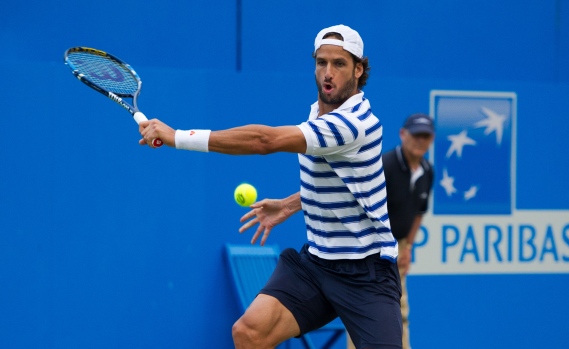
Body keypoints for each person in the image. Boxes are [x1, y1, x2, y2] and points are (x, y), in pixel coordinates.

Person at [137, 25, 402, 349]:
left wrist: (177, 136)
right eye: (321, 62)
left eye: (339, 64)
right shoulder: (319, 111)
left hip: (367, 273)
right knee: (249, 332)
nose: (327, 73)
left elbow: (265, 141)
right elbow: (346, 178)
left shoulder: (353, 123)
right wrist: (292, 203)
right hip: (317, 264)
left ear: (359, 70)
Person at [346, 113, 435, 349]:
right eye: (416, 135)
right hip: (370, 247)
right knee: (363, 308)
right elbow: (360, 209)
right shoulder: (383, 166)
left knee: (399, 309)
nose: (420, 141)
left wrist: (408, 246)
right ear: (403, 135)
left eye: (425, 137)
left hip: (400, 246)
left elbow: (419, 212)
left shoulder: (427, 170)